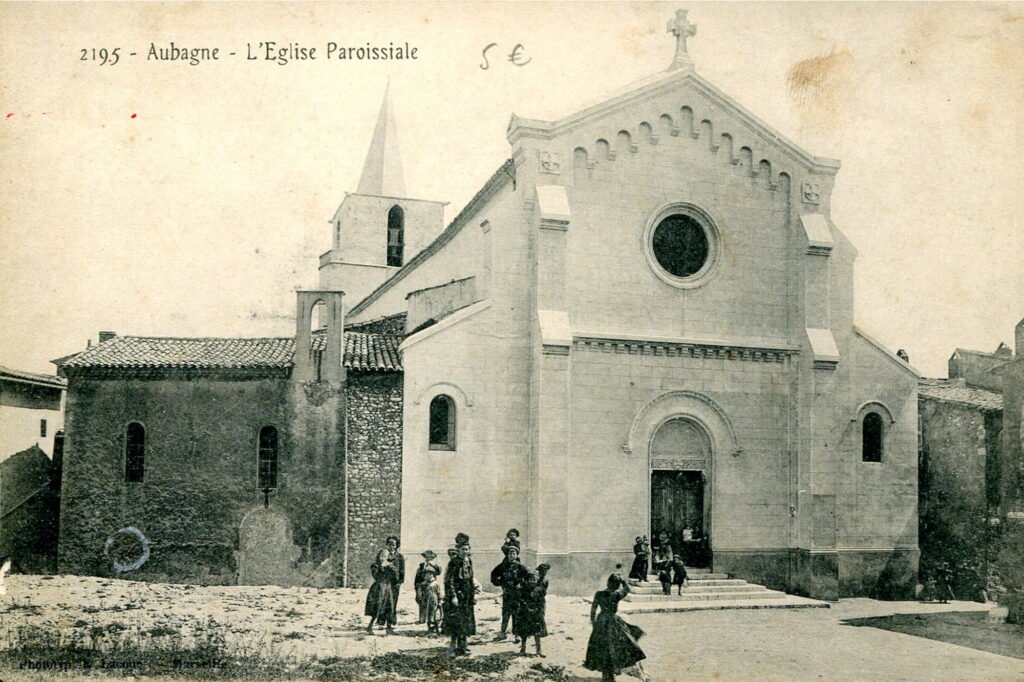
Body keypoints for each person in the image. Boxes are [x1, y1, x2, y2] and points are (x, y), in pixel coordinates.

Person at [584, 574, 648, 681]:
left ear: (608, 583)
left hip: (601, 621)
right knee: (614, 646)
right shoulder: (616, 595)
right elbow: (627, 589)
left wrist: (594, 623)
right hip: (613, 621)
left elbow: (593, 610)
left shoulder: (599, 594)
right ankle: (611, 674)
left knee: (601, 646)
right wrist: (623, 581)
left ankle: (606, 675)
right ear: (617, 586)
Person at [443, 537, 476, 656]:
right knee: (456, 620)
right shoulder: (454, 562)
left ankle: (463, 646)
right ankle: (452, 647)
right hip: (457, 595)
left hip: (467, 595)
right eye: (463, 549)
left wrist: (472, 595)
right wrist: (453, 596)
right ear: (459, 550)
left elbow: (471, 579)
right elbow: (450, 580)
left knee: (466, 620)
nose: (465, 551)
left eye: (467, 549)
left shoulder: (469, 561)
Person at [490, 544, 528, 640]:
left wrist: (522, 585)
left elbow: (528, 578)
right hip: (507, 594)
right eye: (510, 554)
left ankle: (517, 634)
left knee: (516, 614)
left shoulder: (520, 567)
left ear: (517, 555)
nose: (512, 555)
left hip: (517, 594)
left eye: (514, 553)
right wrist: (501, 583)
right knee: (506, 614)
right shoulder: (502, 566)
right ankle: (502, 632)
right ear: (507, 555)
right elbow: (493, 575)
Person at [514, 568, 549, 657]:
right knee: (524, 633)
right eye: (531, 579)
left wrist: (541, 612)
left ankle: (538, 650)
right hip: (525, 614)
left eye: (534, 580)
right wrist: (525, 606)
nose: (533, 581)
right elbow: (520, 600)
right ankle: (523, 649)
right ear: (528, 580)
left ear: (537, 580)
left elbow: (542, 602)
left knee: (537, 633)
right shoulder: (523, 589)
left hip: (536, 614)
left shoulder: (539, 590)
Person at [364, 549, 399, 635]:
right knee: (377, 607)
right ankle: (370, 626)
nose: (384, 558)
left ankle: (389, 628)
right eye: (382, 556)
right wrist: (382, 567)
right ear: (379, 557)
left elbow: (395, 577)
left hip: (388, 588)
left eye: (386, 556)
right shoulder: (375, 566)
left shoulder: (390, 566)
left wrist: (390, 567)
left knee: (389, 607)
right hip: (379, 589)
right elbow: (376, 576)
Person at [415, 550, 443, 633]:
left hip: (432, 589)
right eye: (427, 557)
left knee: (434, 611)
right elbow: (417, 578)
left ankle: (434, 626)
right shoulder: (421, 566)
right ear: (424, 558)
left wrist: (434, 565)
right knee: (424, 608)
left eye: (430, 557)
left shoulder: (435, 566)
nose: (428, 559)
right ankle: (426, 622)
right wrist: (417, 589)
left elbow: (439, 572)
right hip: (423, 589)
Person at [386, 535, 406, 604]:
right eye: (389, 544)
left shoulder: (400, 557)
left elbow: (402, 570)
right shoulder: (384, 554)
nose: (391, 547)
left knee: (393, 600)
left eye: (393, 545)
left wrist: (400, 582)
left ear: (396, 546)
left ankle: (392, 614)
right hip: (385, 581)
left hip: (395, 582)